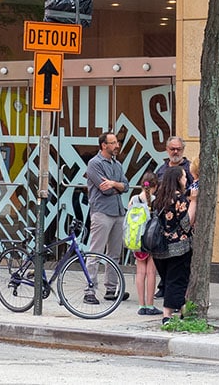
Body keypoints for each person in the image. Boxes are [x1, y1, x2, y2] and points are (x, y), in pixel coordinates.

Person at [85, 131, 129, 304]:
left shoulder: (117, 164)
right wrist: (114, 186)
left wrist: (114, 184)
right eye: (113, 143)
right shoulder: (94, 164)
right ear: (104, 145)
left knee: (114, 253)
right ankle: (89, 290)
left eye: (117, 142)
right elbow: (106, 189)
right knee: (95, 253)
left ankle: (111, 289)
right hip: (102, 212)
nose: (117, 145)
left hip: (118, 212)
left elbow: (125, 186)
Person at [150, 167, 196, 324]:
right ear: (177, 179)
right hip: (178, 247)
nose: (185, 180)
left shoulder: (158, 198)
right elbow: (185, 224)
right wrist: (194, 202)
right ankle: (167, 316)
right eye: (183, 177)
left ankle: (184, 311)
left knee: (170, 280)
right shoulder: (179, 199)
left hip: (159, 248)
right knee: (176, 281)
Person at [129, 171, 160, 315]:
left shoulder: (134, 199)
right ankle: (150, 305)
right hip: (151, 240)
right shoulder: (156, 200)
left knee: (140, 272)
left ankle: (141, 305)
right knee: (151, 272)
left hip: (137, 239)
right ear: (155, 185)